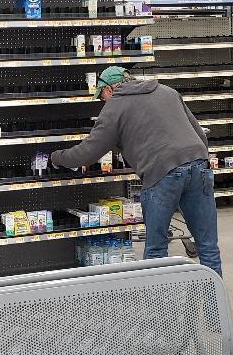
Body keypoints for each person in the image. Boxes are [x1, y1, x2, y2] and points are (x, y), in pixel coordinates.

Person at [50, 66, 222, 275]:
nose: (102, 101)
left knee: (156, 249)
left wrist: (57, 158)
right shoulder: (167, 91)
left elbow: (87, 153)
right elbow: (199, 133)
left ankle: (154, 306)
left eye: (102, 95)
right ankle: (215, 304)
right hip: (199, 166)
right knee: (208, 246)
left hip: (162, 174)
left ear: (110, 89)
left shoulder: (115, 107)